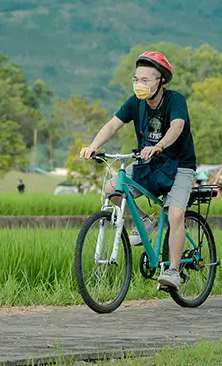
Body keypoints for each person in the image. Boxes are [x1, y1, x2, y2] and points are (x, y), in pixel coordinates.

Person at [79, 51, 196, 291]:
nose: (139, 85)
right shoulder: (135, 103)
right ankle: (144, 220)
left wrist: (159, 145)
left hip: (180, 165)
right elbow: (113, 124)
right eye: (136, 79)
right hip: (148, 162)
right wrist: (93, 146)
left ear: (160, 81)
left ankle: (173, 270)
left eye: (145, 80)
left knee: (175, 215)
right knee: (111, 188)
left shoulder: (175, 101)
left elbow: (178, 126)